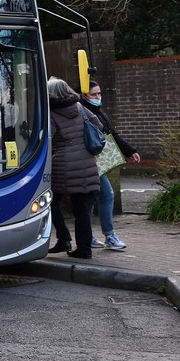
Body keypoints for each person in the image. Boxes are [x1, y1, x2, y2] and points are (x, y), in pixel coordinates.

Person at [81, 80, 141, 251]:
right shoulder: (83, 113)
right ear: (84, 95)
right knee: (105, 195)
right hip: (90, 162)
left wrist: (130, 151)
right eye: (94, 94)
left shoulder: (99, 112)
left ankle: (90, 235)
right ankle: (108, 235)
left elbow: (111, 134)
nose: (98, 97)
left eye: (99, 94)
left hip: (97, 163)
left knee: (93, 198)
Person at [47, 76, 102, 259]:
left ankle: (63, 238)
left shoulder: (52, 113)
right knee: (82, 209)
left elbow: (48, 138)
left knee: (49, 201)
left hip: (62, 164)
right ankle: (84, 249)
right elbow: (99, 125)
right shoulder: (80, 107)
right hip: (86, 162)